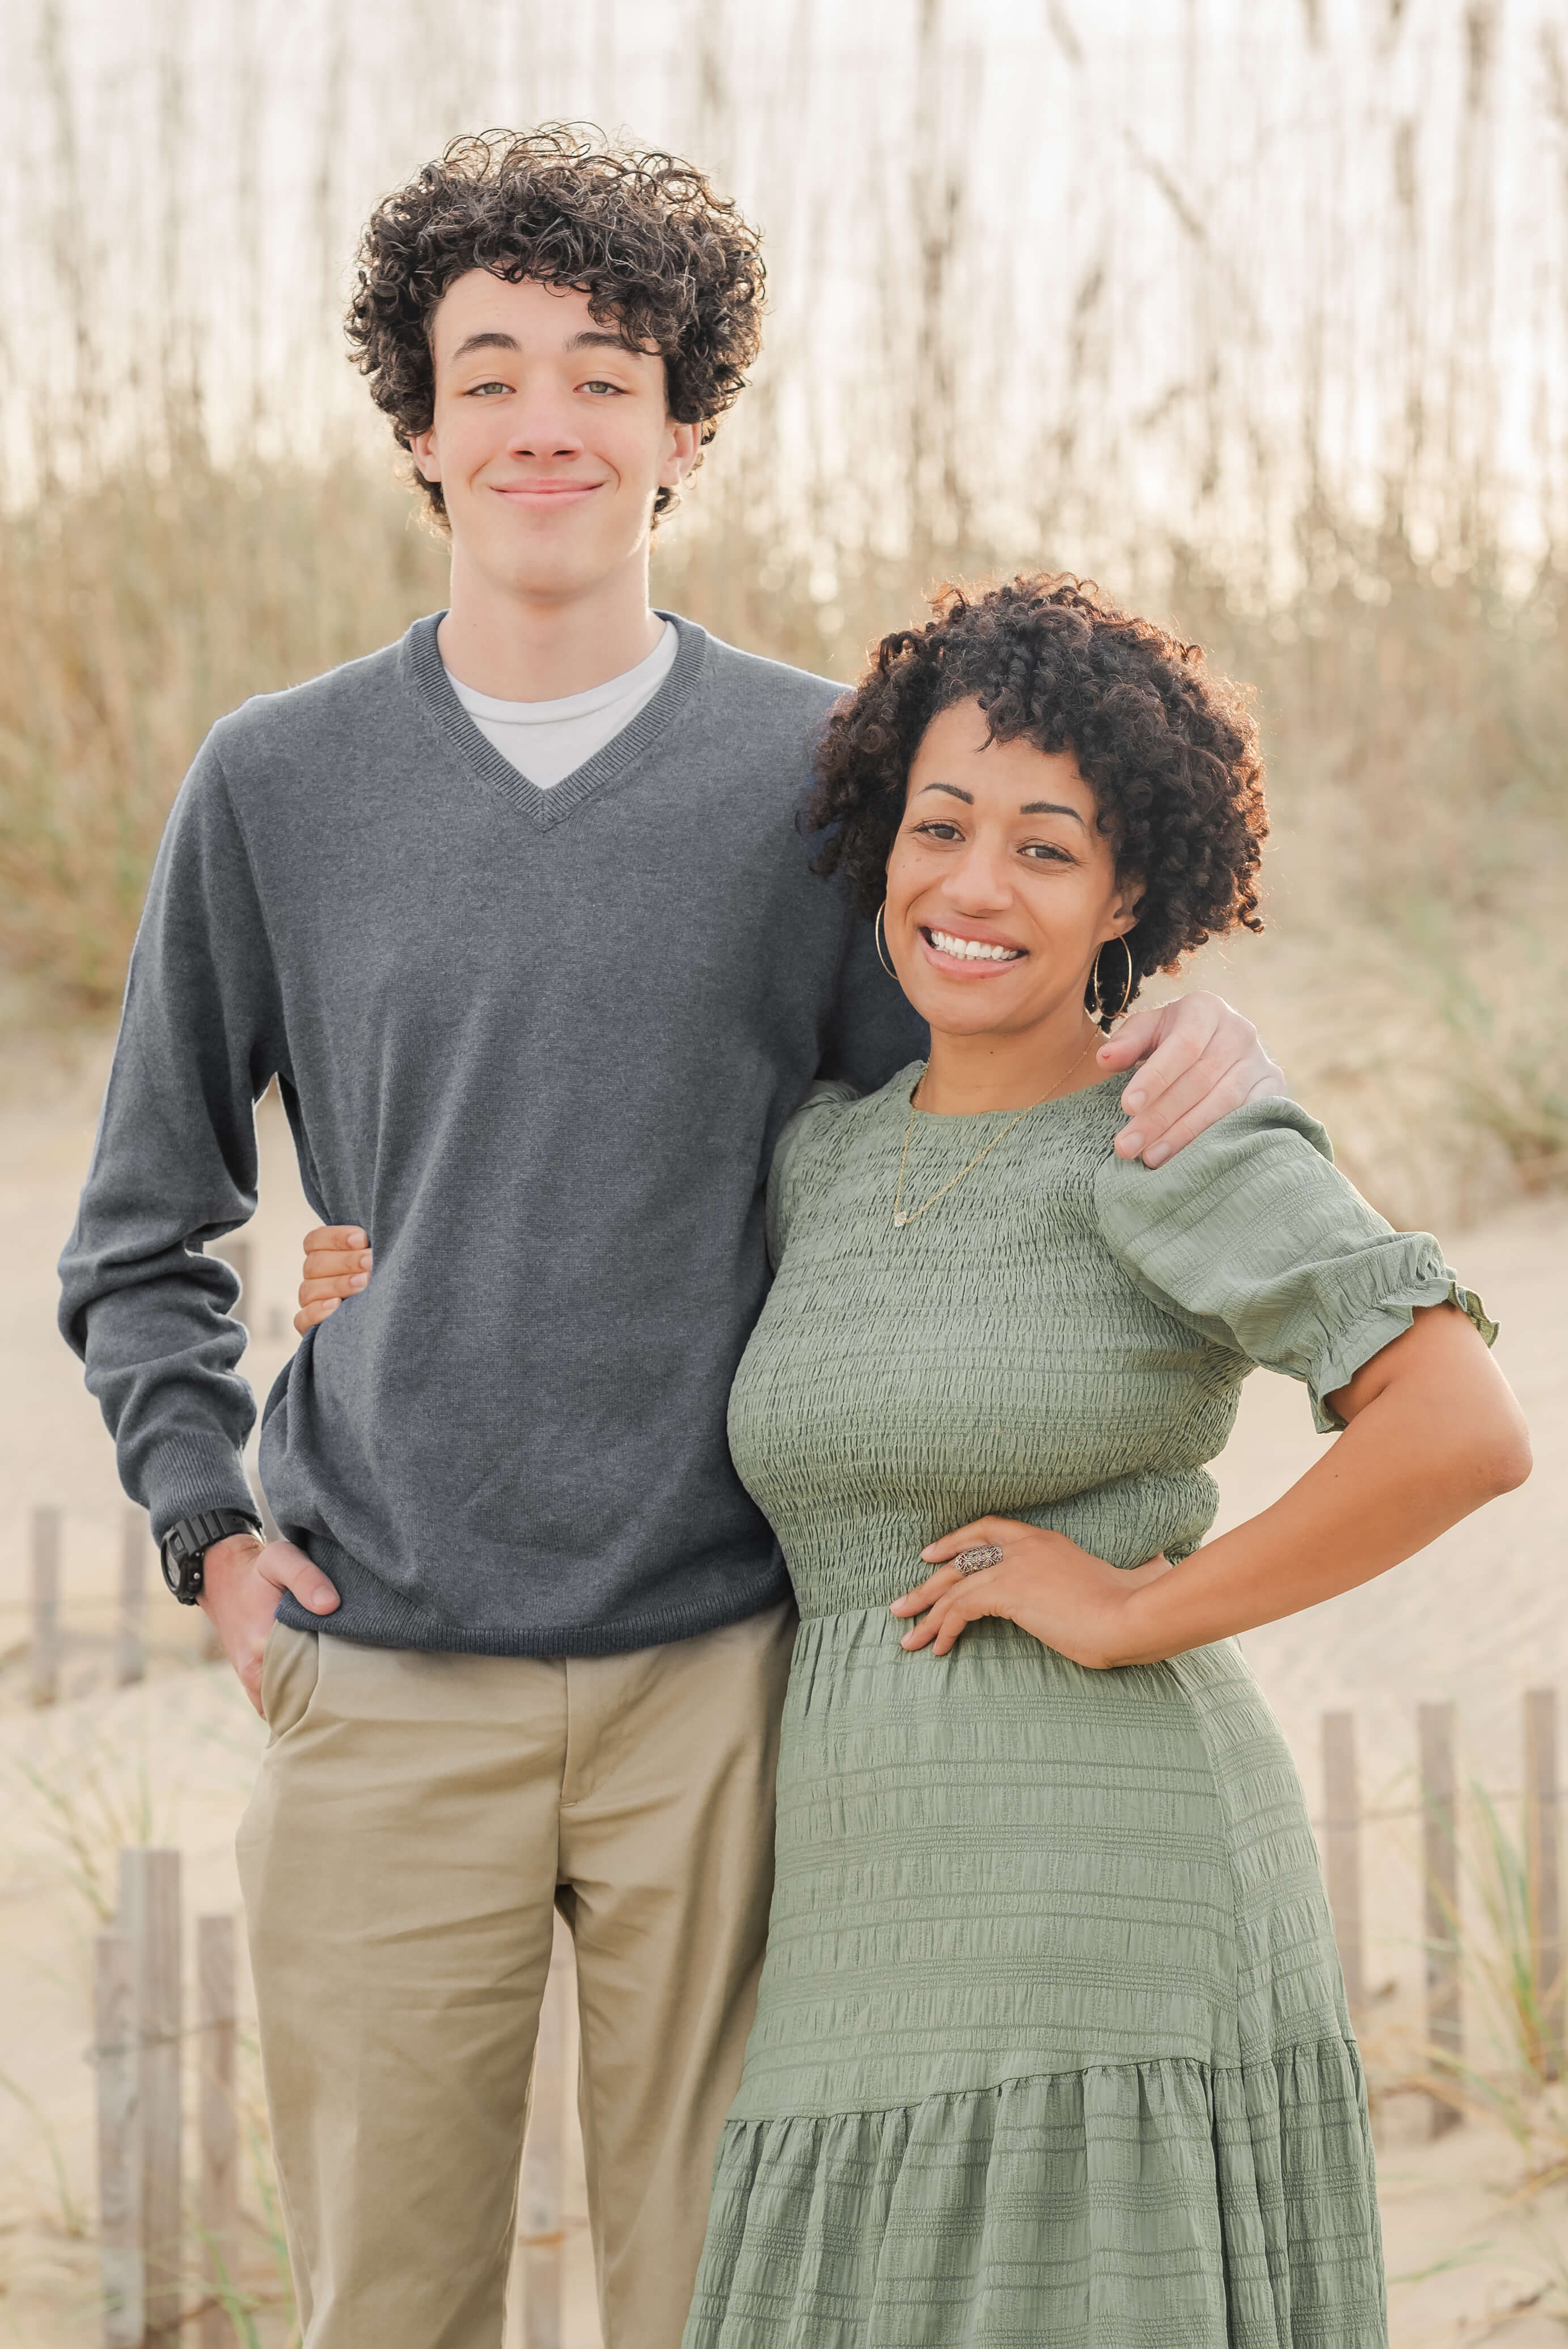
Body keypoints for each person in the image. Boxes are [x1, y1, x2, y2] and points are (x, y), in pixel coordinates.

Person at [60, 130, 1284, 2349]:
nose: (547, 417)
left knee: (726, 2306)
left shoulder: (817, 770)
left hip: (721, 1679)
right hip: (384, 1669)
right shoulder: (274, 781)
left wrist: (1185, 1026)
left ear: (683, 427)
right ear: (417, 430)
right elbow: (144, 1220)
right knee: (384, 2310)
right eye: (492, 371)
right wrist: (211, 1532)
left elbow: (963, 1065)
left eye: (604, 374)